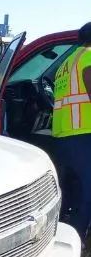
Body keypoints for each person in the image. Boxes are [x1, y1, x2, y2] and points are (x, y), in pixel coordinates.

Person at [52, 21, 91, 243]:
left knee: (69, 190)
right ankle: (77, 237)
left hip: (64, 136)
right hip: (84, 134)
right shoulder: (89, 56)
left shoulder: (65, 63)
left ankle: (61, 229)